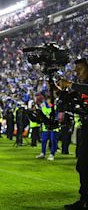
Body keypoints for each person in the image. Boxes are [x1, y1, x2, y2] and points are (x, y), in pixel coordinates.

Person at [57, 58, 88, 209]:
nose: (77, 73)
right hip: (85, 129)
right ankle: (84, 199)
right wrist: (60, 90)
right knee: (82, 165)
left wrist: (70, 84)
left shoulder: (83, 86)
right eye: (76, 71)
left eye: (80, 70)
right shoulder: (81, 88)